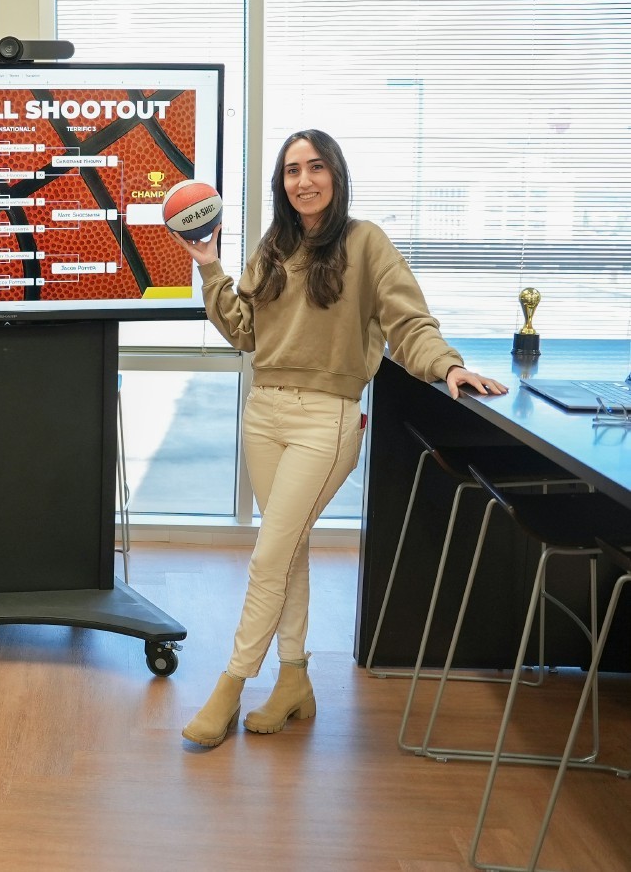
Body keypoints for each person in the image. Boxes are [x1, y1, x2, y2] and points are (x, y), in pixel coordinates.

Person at [173, 129, 507, 749]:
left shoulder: (365, 242)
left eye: (315, 167)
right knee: (289, 549)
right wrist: (209, 264)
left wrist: (447, 364)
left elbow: (409, 320)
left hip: (326, 420)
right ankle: (295, 680)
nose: (304, 180)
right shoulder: (274, 245)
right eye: (292, 170)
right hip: (264, 413)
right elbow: (244, 332)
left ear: (336, 174)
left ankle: (231, 683)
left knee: (269, 555)